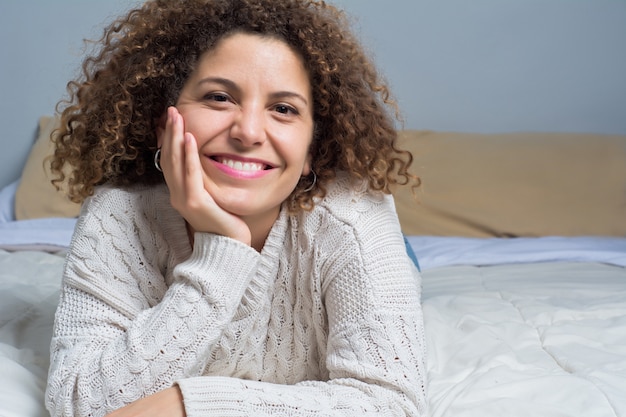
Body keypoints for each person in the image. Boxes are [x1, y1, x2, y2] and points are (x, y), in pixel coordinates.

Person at [45, 0, 427, 416]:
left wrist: (187, 405)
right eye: (219, 97)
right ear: (162, 124)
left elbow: (393, 404)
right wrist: (222, 252)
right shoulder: (116, 214)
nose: (247, 132)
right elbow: (80, 401)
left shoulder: (353, 219)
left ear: (312, 150)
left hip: (346, 233)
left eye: (283, 109)